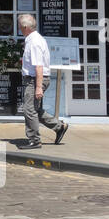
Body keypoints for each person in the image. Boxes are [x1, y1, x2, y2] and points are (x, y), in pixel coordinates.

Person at [18, 13, 68, 149]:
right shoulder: (34, 40)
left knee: (29, 110)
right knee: (35, 109)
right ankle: (59, 127)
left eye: (20, 26)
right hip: (35, 79)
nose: (19, 29)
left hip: (35, 80)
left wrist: (38, 87)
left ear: (25, 27)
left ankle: (35, 140)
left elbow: (38, 66)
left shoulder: (34, 42)